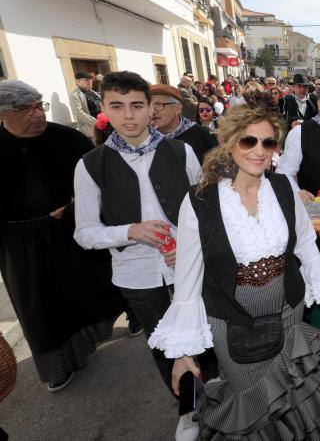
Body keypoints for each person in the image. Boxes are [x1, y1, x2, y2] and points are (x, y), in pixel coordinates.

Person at [149, 105, 320, 439]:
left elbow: (305, 246)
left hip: (288, 310)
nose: (259, 151)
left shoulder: (284, 187)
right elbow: (186, 281)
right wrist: (184, 352)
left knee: (293, 387)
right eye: (249, 141)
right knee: (251, 400)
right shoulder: (199, 201)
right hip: (231, 323)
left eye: (268, 143)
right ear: (229, 142)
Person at [73, 71, 203, 394]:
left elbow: (206, 211)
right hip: (137, 276)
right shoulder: (89, 165)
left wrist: (189, 245)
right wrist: (130, 231)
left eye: (136, 105)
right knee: (163, 348)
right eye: (117, 106)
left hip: (189, 266)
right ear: (103, 107)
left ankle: (217, 405)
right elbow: (85, 233)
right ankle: (187, 409)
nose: (128, 116)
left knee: (204, 335)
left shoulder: (182, 153)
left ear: (150, 109)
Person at [0, 80, 125, 392]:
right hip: (20, 248)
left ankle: (130, 317)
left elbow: (102, 181)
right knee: (40, 308)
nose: (36, 114)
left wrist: (77, 205)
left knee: (97, 287)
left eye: (38, 105)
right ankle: (58, 366)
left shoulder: (68, 139)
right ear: (2, 114)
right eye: (24, 109)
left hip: (73, 233)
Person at [150, 85, 218, 163]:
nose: (152, 112)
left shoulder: (203, 134)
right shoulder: (146, 142)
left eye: (158, 105)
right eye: (148, 106)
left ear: (177, 108)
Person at [69, 71, 102, 139]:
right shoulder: (75, 95)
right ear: (78, 81)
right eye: (86, 79)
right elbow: (78, 113)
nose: (90, 81)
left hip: (102, 124)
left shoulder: (93, 92)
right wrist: (96, 122)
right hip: (91, 128)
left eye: (90, 79)